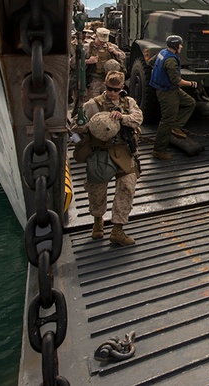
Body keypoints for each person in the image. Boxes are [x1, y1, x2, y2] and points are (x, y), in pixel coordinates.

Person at [72, 71, 144, 247]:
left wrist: (123, 117)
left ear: (122, 88)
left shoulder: (128, 103)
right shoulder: (92, 105)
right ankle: (98, 220)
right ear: (105, 86)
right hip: (101, 153)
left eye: (116, 90)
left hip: (124, 151)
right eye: (110, 89)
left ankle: (117, 229)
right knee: (97, 190)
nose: (112, 93)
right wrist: (87, 127)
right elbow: (75, 125)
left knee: (127, 187)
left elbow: (138, 118)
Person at [148, 34, 197, 160]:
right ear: (175, 46)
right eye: (180, 44)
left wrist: (160, 73)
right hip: (167, 92)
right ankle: (158, 150)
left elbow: (150, 62)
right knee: (167, 121)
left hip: (168, 88)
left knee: (190, 103)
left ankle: (176, 127)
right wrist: (191, 84)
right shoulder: (171, 61)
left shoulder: (162, 53)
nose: (181, 46)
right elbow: (177, 81)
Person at [83, 27, 126, 99]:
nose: (102, 43)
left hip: (109, 80)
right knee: (94, 102)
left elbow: (123, 56)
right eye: (100, 41)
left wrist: (115, 52)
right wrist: (88, 61)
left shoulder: (111, 46)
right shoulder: (87, 48)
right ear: (96, 37)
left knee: (109, 101)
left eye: (104, 41)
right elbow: (73, 63)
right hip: (94, 79)